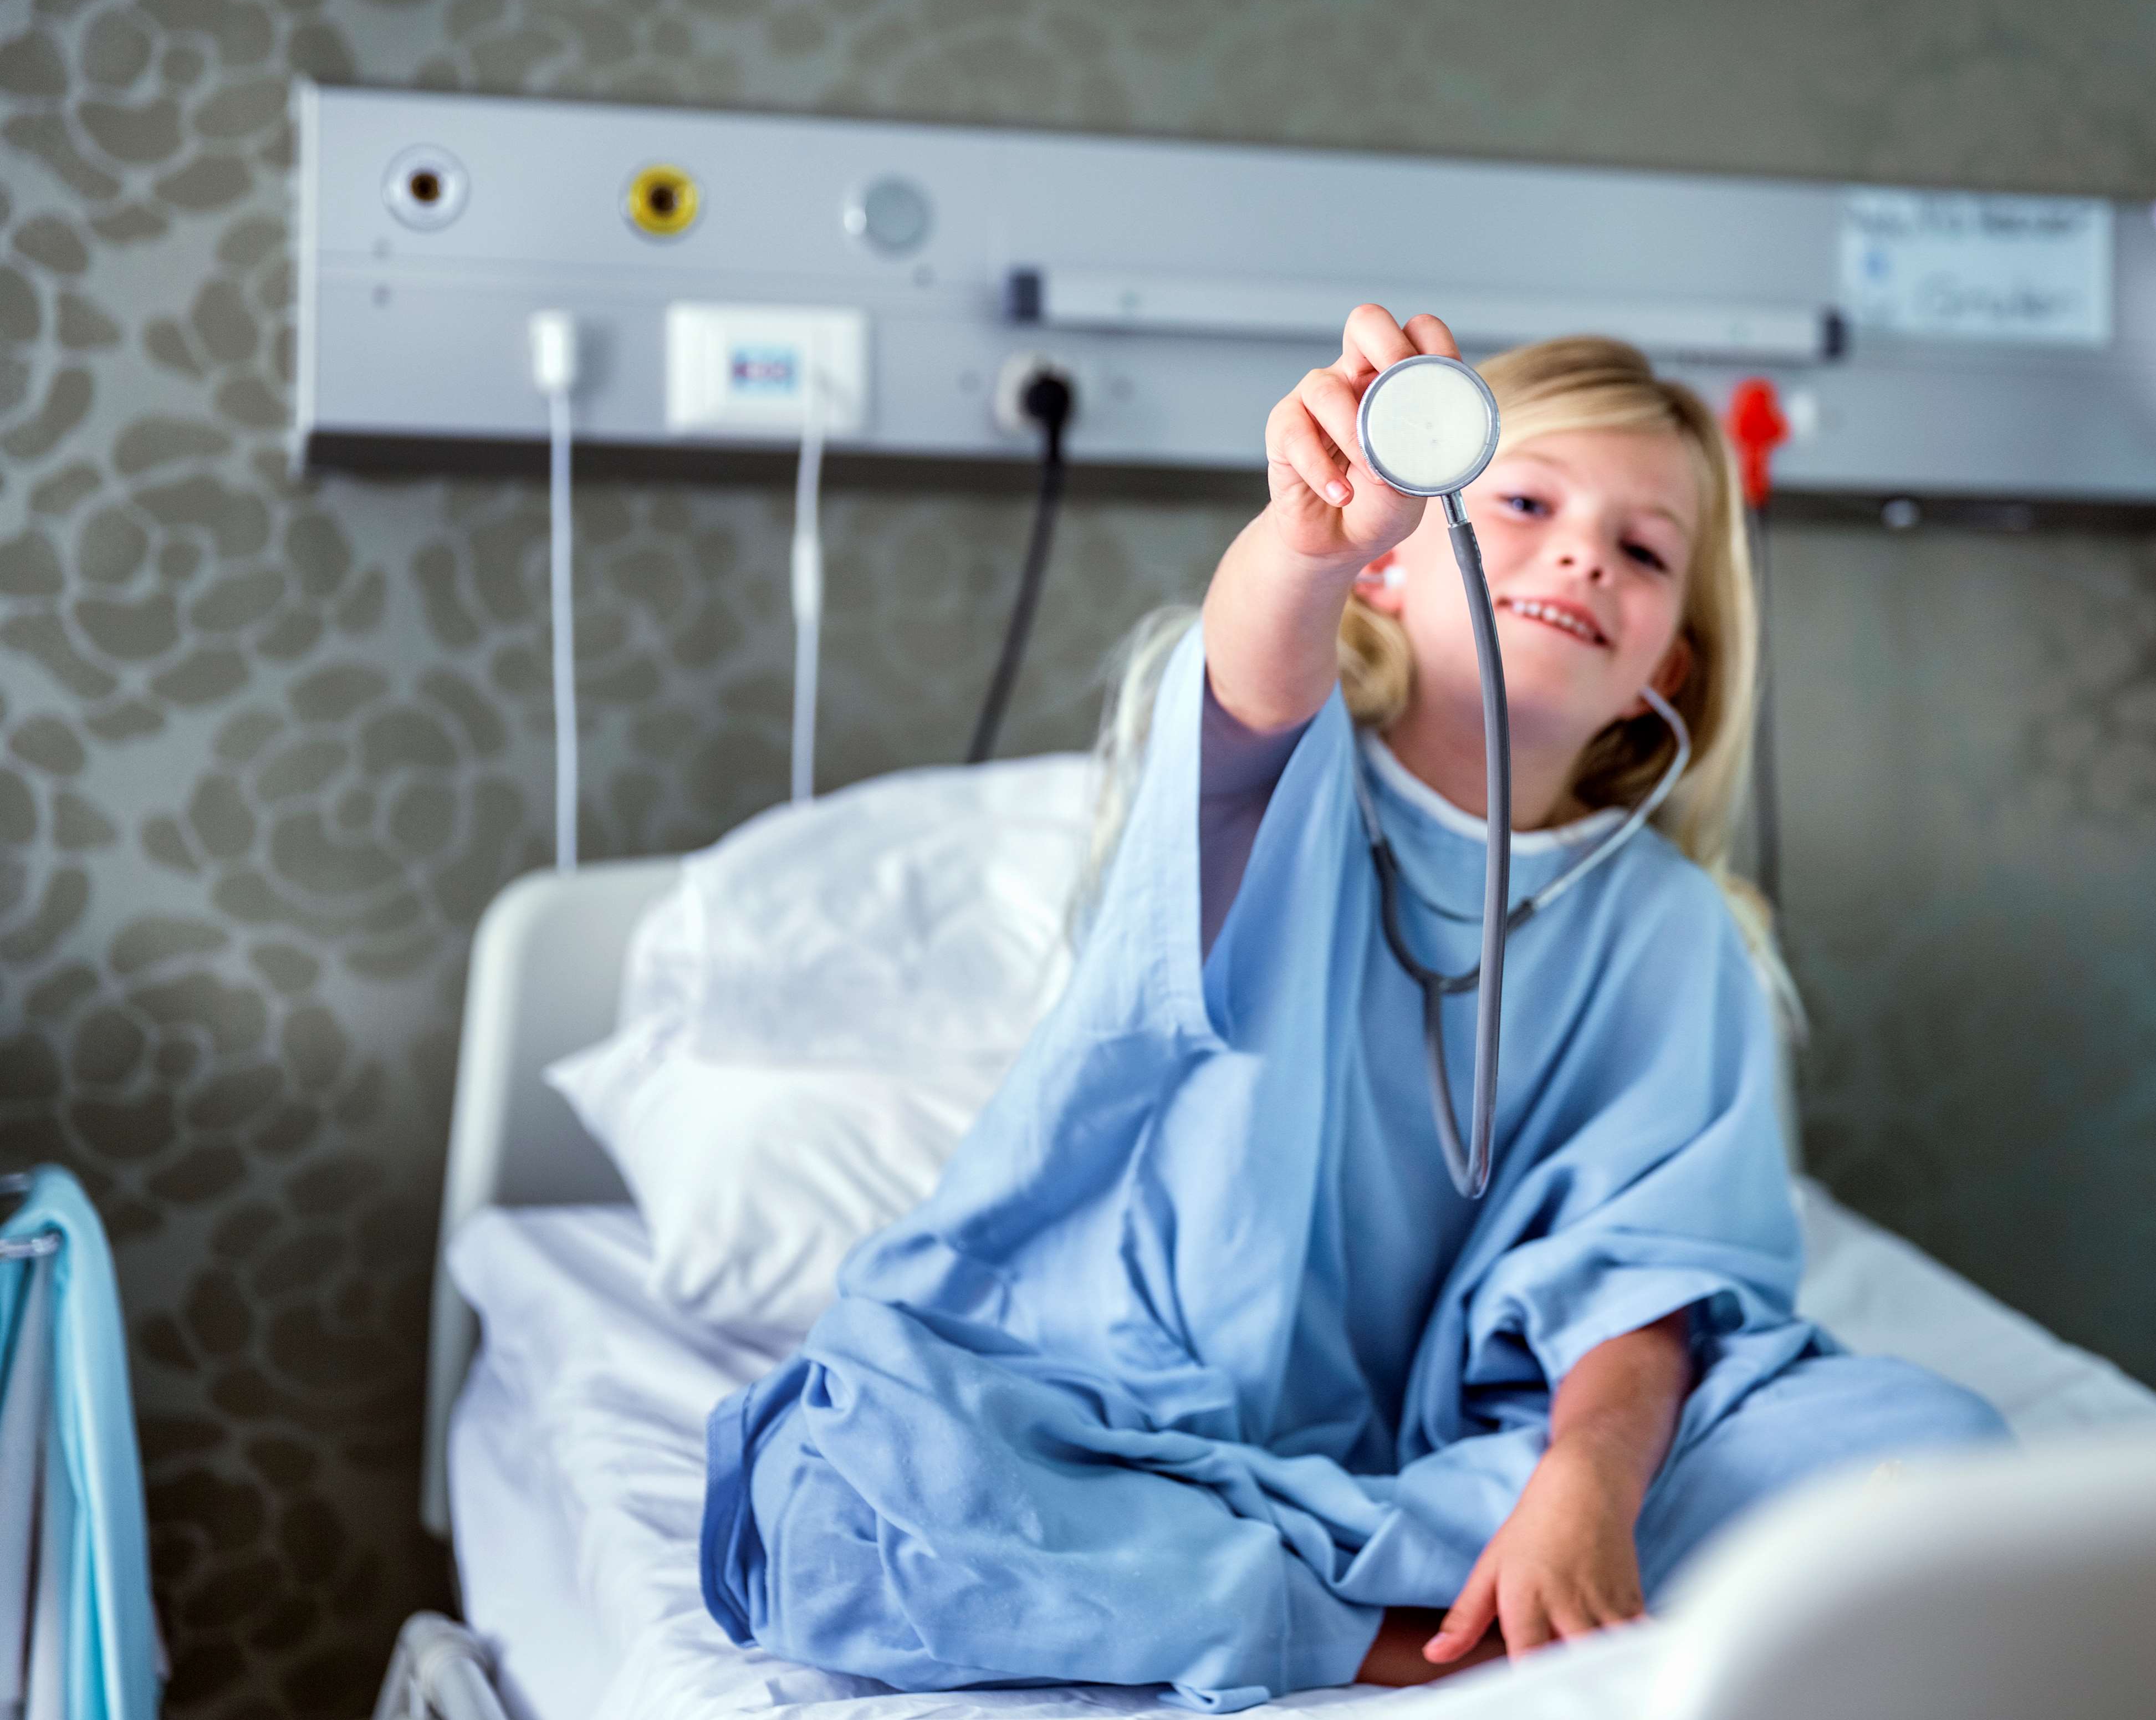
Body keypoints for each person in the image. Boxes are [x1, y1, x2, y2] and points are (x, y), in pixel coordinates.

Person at [700, 310, 2006, 1711]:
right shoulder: (1280, 776)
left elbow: (1650, 1272)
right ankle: (1402, 1632)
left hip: (1477, 1451)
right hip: (1146, 1405)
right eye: (1525, 505)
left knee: (1924, 1453)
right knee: (853, 1484)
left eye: (1643, 551)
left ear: (1665, 674)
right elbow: (1257, 676)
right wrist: (1303, 546)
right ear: (1390, 565)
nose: (1584, 555)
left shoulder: (1675, 935)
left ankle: (1454, 1578)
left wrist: (1584, 1484)